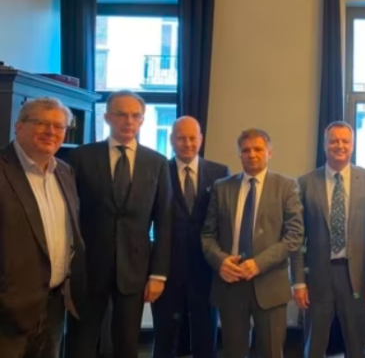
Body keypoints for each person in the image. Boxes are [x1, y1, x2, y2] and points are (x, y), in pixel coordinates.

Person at [65, 91, 172, 358]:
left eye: (135, 116)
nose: (129, 121)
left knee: (126, 344)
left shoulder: (157, 162)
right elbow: (68, 214)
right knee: (80, 342)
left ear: (142, 120)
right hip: (88, 267)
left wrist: (158, 274)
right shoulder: (82, 157)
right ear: (107, 117)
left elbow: (164, 221)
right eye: (121, 114)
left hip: (134, 269)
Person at [201, 128, 304, 358]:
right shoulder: (221, 187)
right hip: (230, 284)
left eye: (258, 149)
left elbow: (294, 236)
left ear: (270, 152)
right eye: (246, 150)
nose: (252, 154)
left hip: (270, 284)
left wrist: (258, 264)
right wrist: (220, 261)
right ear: (239, 154)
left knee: (271, 352)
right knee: (233, 352)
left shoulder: (286, 187)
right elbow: (207, 235)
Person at [0, 97, 86, 358]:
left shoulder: (65, 172)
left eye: (59, 126)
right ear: (19, 126)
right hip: (7, 313)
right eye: (41, 123)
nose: (51, 132)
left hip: (54, 306)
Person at [291, 120, 365, 358]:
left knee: (357, 345)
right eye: (333, 141)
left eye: (345, 141)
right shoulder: (305, 182)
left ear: (353, 145)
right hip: (318, 276)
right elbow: (297, 237)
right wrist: (298, 281)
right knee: (314, 344)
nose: (339, 145)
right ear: (324, 145)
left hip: (357, 277)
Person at [152, 116, 231, 358]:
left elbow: (225, 222)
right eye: (181, 138)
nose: (187, 143)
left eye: (192, 138)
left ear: (201, 139)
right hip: (167, 268)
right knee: (165, 337)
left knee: (205, 336)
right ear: (171, 140)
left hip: (206, 269)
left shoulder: (219, 173)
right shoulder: (157, 171)